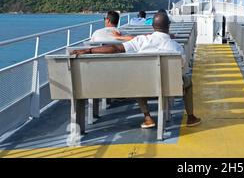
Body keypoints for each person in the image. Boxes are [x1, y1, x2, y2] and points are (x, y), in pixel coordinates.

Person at [71, 12, 201, 129]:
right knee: (187, 81)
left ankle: (148, 117)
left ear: (153, 27)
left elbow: (116, 49)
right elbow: (181, 67)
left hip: (144, 87)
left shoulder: (141, 40)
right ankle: (190, 117)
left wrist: (89, 50)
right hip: (169, 87)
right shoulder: (177, 47)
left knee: (137, 79)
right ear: (168, 26)